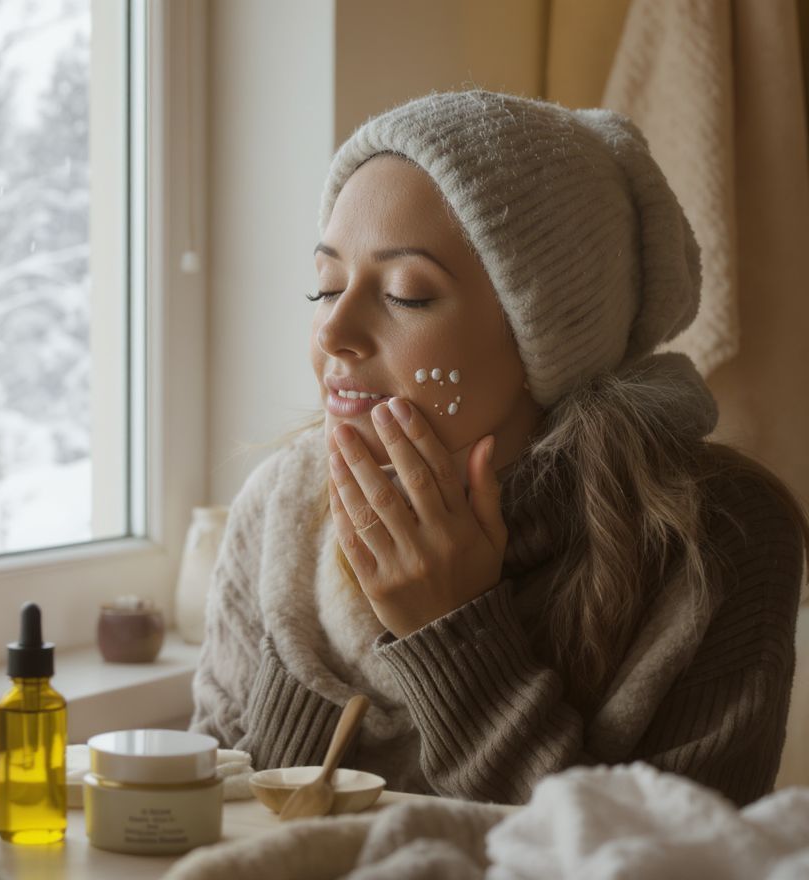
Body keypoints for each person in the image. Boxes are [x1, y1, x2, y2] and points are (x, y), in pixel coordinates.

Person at [189, 90, 808, 807]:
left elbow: (675, 857)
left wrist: (449, 635)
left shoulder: (716, 538)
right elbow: (220, 814)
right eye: (325, 288)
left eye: (406, 295)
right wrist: (319, 620)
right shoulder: (282, 507)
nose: (333, 334)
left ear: (545, 340)